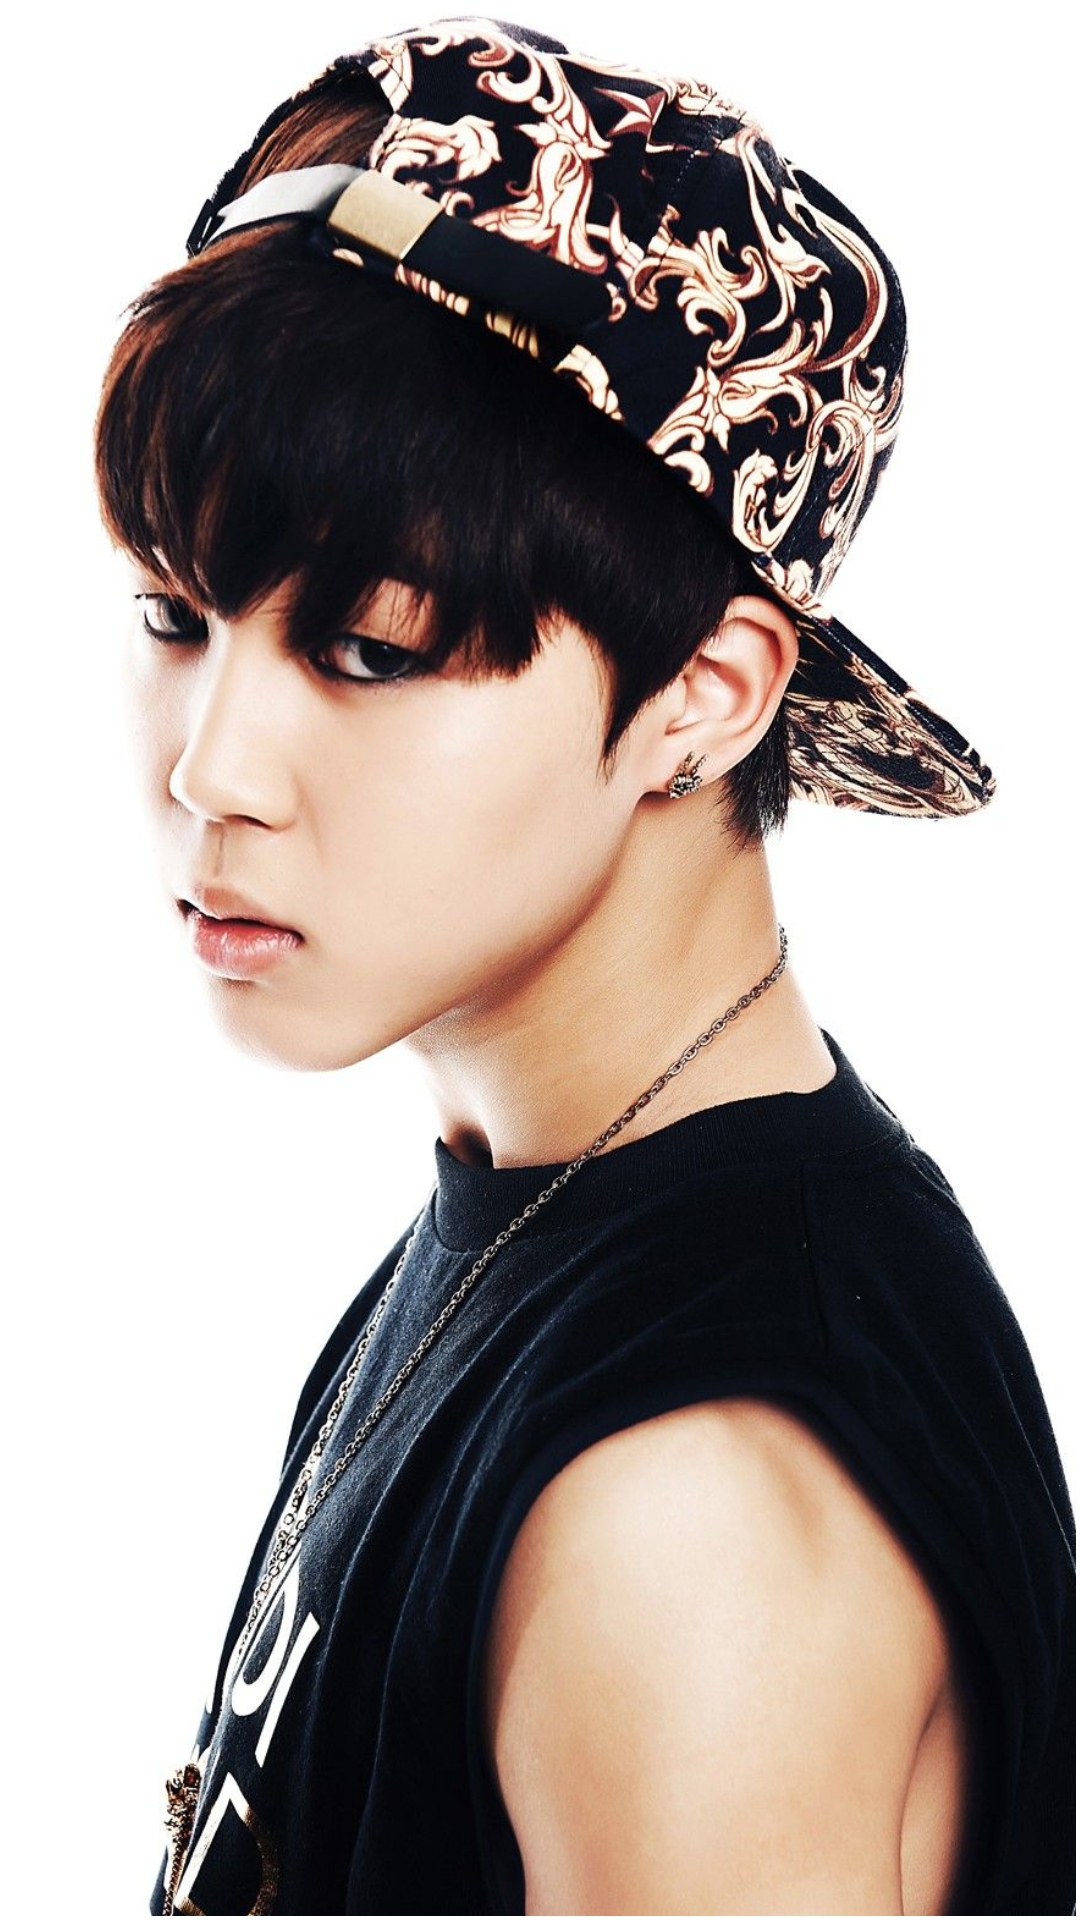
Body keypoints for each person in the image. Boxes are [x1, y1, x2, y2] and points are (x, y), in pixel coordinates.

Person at [93, 17, 1074, 1917]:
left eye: (370, 650)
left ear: (700, 696)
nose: (213, 770)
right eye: (174, 609)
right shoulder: (548, 1208)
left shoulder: (686, 1516)